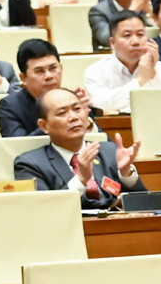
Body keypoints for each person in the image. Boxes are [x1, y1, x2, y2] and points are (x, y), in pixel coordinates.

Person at [13, 88, 144, 209]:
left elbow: (144, 205)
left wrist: (126, 174)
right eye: (62, 113)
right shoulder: (30, 164)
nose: (74, 117)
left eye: (77, 109)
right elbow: (43, 210)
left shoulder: (110, 152)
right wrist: (81, 179)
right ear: (44, 126)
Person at [83, 9, 161, 114]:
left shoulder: (159, 68)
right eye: (127, 35)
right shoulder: (96, 71)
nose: (135, 42)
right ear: (112, 43)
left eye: (140, 35)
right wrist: (141, 80)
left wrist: (153, 74)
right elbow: (99, 106)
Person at [0, 40, 71, 138]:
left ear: (61, 68)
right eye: (40, 71)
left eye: (53, 68)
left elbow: (97, 140)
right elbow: (17, 147)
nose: (49, 76)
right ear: (23, 78)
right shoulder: (10, 106)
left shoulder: (73, 99)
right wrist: (53, 122)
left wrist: (87, 121)